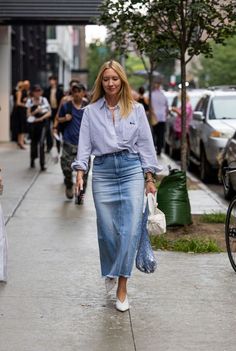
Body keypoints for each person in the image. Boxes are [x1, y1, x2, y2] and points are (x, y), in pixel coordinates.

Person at [72, 60, 162, 312]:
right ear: (100, 82)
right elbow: (84, 146)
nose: (110, 83)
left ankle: (122, 285)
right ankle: (112, 269)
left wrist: (149, 177)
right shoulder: (90, 112)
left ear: (122, 80)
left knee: (131, 229)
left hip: (131, 168)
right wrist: (80, 172)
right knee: (108, 230)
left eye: (115, 78)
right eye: (106, 79)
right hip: (103, 172)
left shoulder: (136, 109)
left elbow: (146, 145)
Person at [58, 83, 89, 201]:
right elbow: (58, 119)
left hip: (84, 144)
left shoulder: (88, 107)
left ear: (83, 93)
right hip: (68, 141)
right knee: (66, 167)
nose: (76, 94)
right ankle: (69, 185)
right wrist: (64, 119)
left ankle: (81, 194)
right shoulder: (67, 106)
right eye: (74, 92)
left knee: (84, 171)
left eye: (79, 91)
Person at [26, 85, 51, 170]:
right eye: (36, 91)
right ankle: (32, 159)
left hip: (43, 124)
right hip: (33, 124)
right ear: (33, 92)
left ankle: (42, 164)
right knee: (33, 143)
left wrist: (41, 118)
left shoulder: (44, 100)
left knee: (41, 143)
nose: (37, 93)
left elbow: (49, 113)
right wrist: (35, 112)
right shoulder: (30, 101)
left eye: (39, 91)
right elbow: (28, 114)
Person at [44, 75, 64, 152]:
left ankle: (58, 146)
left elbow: (61, 102)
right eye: (50, 80)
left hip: (57, 111)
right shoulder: (47, 90)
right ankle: (49, 145)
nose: (51, 81)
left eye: (53, 80)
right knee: (47, 128)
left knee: (57, 128)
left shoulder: (59, 91)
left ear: (55, 81)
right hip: (49, 110)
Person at [151, 79, 169, 155]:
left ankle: (154, 148)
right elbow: (167, 107)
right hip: (162, 118)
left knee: (153, 133)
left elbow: (150, 106)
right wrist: (166, 114)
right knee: (161, 135)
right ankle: (159, 150)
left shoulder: (151, 95)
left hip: (154, 117)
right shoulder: (163, 95)